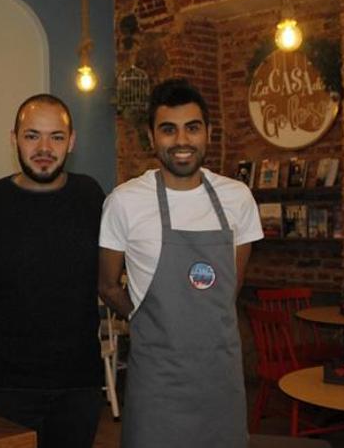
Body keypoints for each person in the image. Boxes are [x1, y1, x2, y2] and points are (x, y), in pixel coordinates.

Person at [98, 78, 263, 447]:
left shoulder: (237, 199)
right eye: (168, 130)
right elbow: (107, 285)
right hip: (157, 381)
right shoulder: (125, 202)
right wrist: (146, 317)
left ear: (208, 132)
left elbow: (229, 287)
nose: (182, 141)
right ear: (152, 137)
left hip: (219, 380)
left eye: (192, 128)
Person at [0, 94, 104, 448]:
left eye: (56, 137)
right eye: (32, 136)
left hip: (79, 386)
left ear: (71, 142)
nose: (44, 147)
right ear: (13, 138)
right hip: (7, 387)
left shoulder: (91, 196)